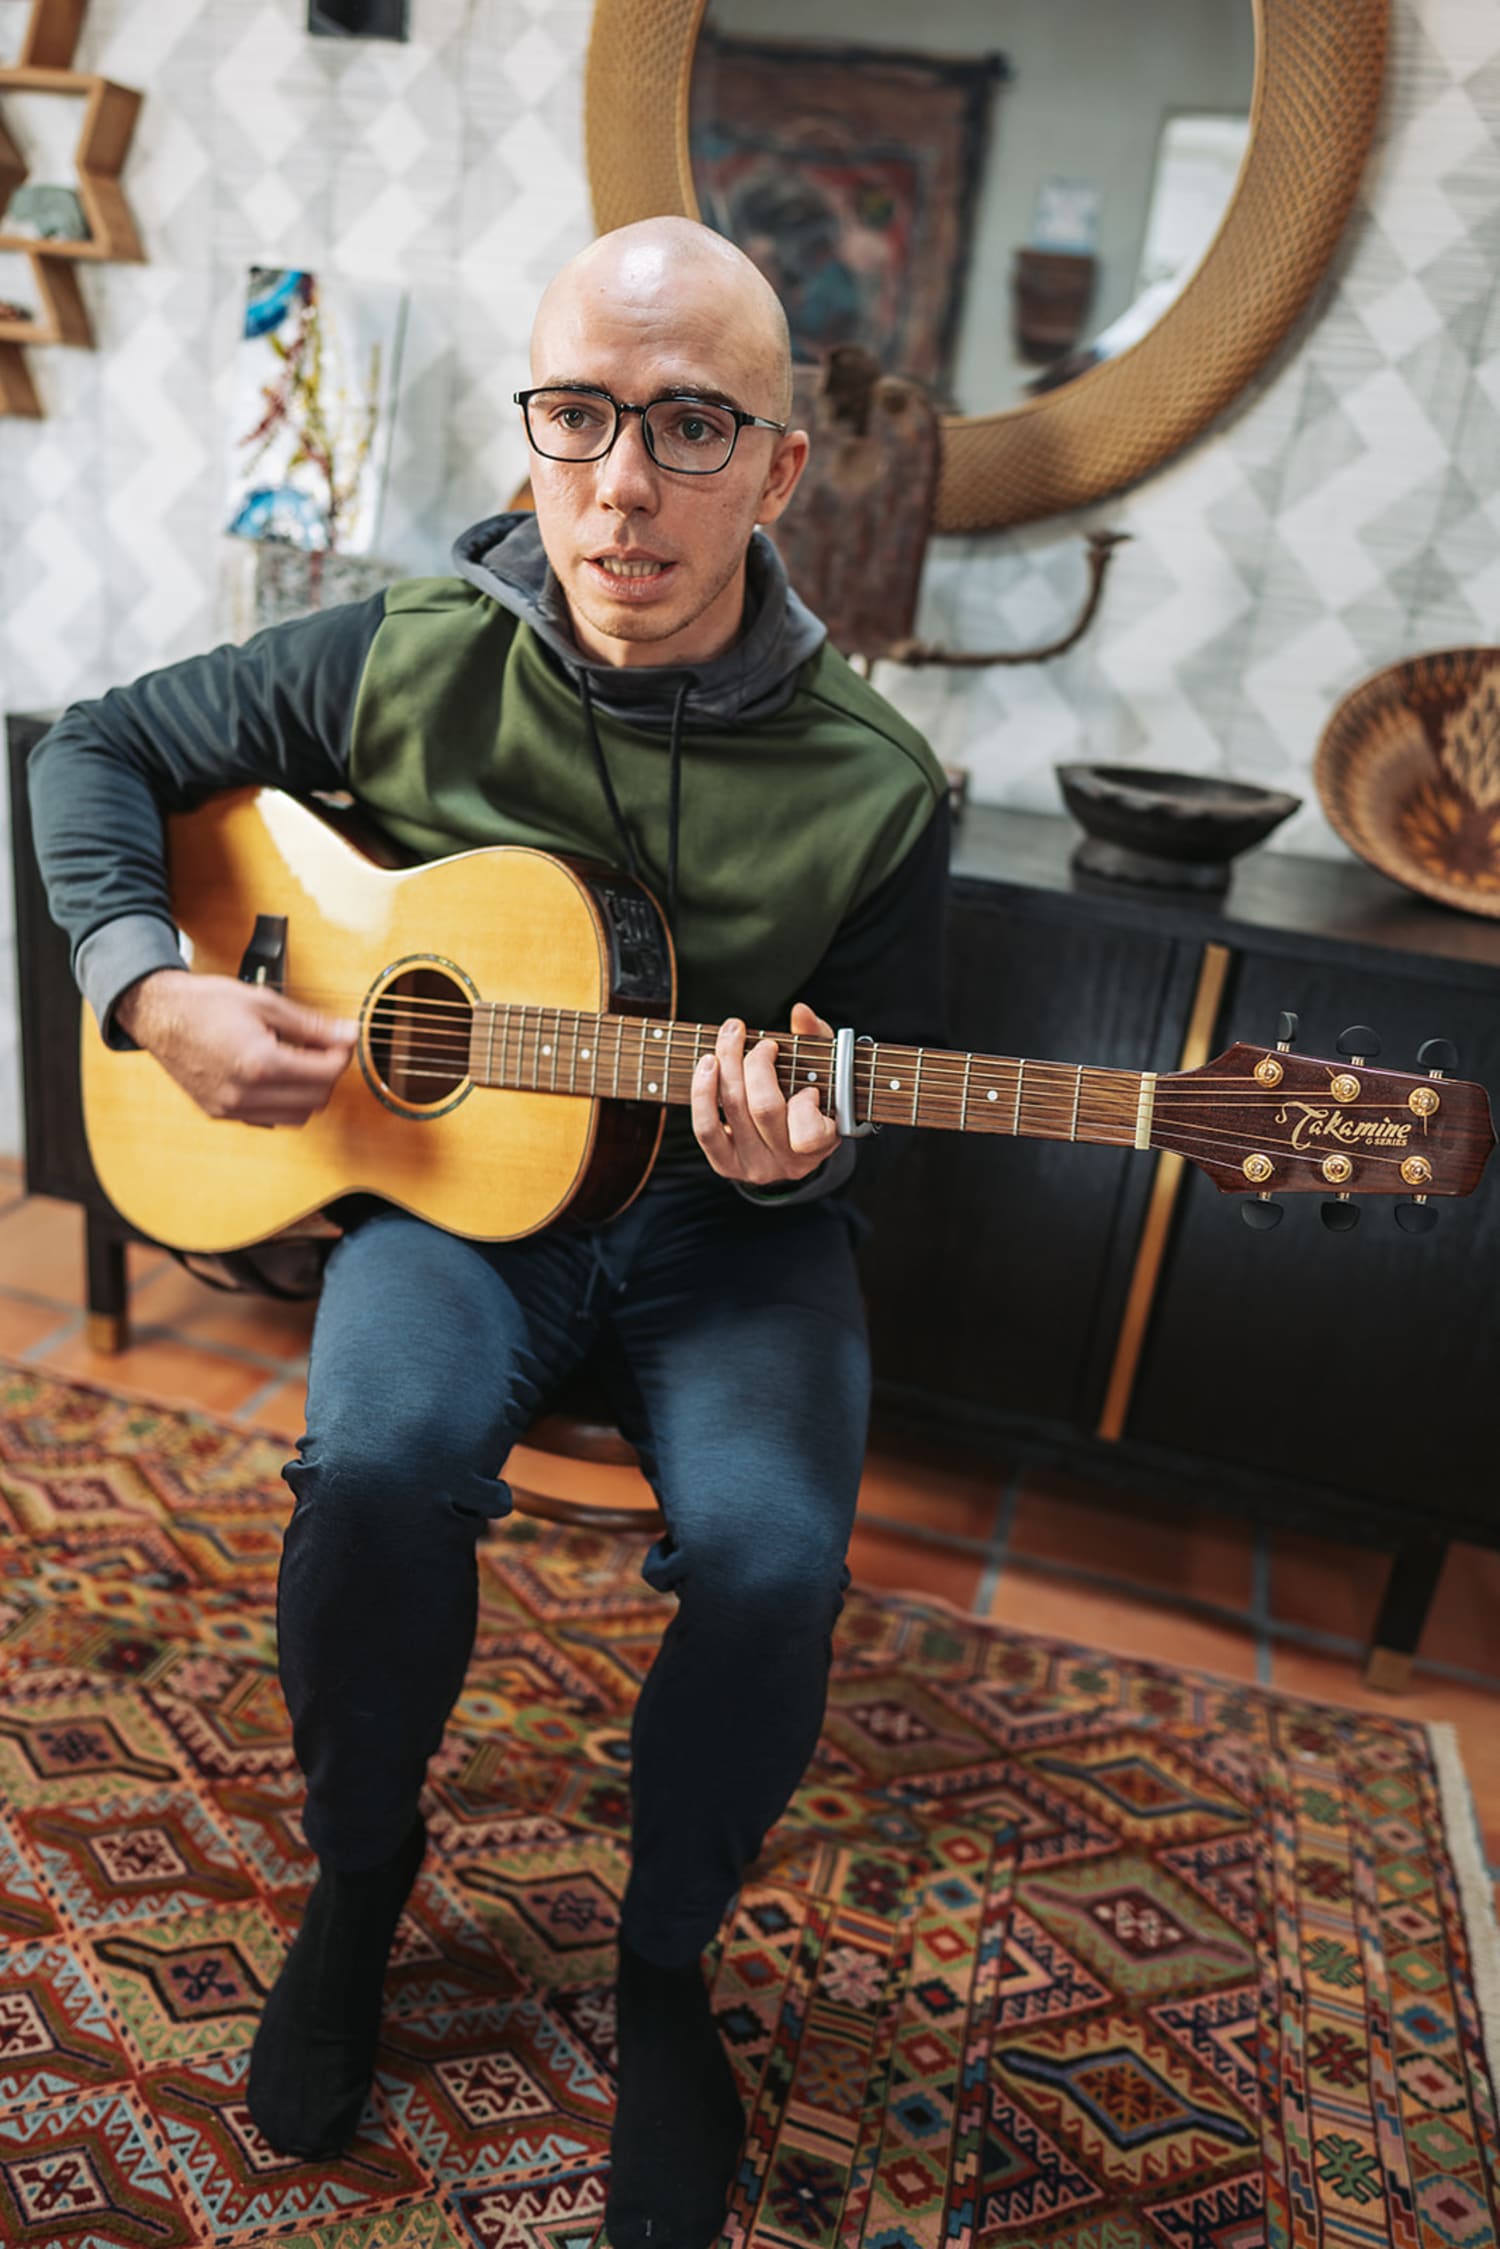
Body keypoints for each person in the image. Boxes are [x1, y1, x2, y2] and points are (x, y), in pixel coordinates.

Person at [29, 217, 949, 2247]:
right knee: (373, 1466)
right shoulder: (404, 649)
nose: (626, 486)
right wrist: (148, 984)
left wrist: (805, 1158)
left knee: (782, 1554)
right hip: (465, 1206)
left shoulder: (883, 789)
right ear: (527, 434)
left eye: (693, 426)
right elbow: (96, 749)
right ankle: (359, 1883)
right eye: (580, 418)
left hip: (728, 1235)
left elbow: (887, 1100)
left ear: (782, 467)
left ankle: (661, 1966)